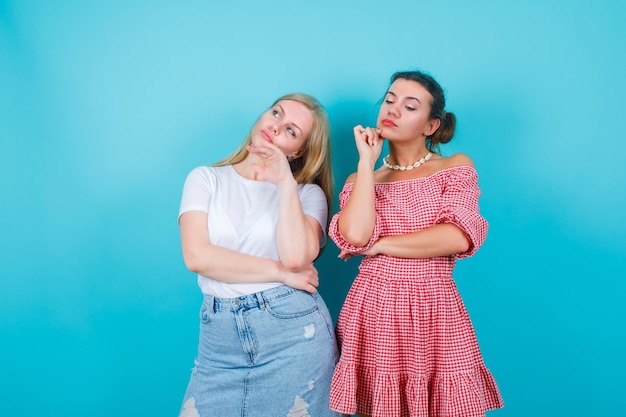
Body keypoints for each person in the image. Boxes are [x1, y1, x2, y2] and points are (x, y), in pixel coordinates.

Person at [327, 71, 504, 417]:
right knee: (379, 406)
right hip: (373, 307)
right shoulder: (362, 179)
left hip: (434, 305)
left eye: (409, 106)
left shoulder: (454, 167)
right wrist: (366, 163)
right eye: (389, 100)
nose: (392, 110)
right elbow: (355, 236)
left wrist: (381, 246)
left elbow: (457, 236)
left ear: (431, 125)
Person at [176, 93, 341, 417]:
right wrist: (279, 272)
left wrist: (284, 182)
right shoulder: (205, 178)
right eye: (276, 113)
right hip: (219, 343)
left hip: (294, 337)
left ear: (300, 151)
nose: (276, 126)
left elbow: (296, 258)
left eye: (291, 131)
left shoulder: (307, 195)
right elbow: (197, 257)